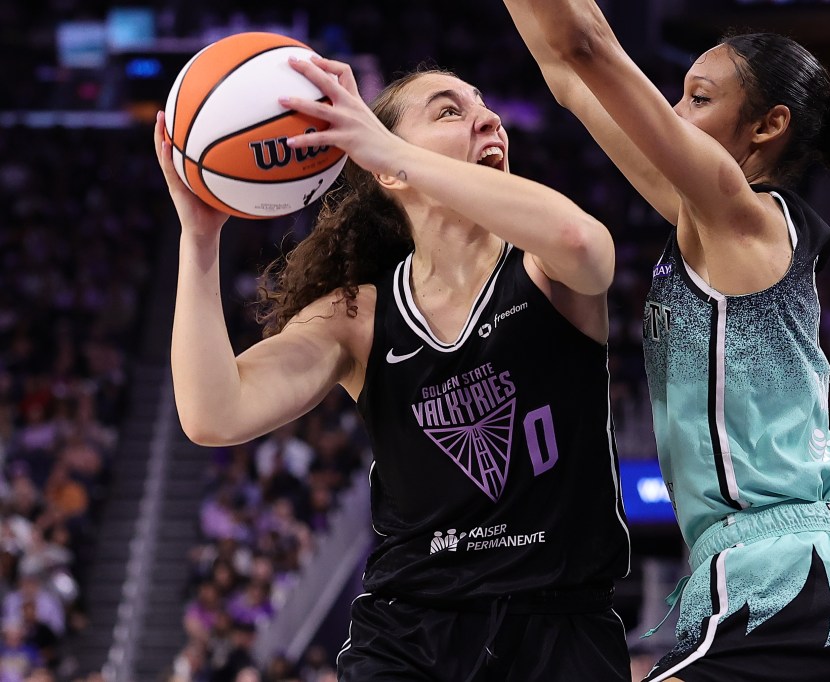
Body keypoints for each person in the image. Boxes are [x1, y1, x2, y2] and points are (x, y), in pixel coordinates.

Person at [154, 54, 632, 680]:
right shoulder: (358, 314)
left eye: (485, 106)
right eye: (450, 111)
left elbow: (583, 246)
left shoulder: (541, 268)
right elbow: (213, 414)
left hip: (560, 624)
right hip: (409, 632)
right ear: (387, 170)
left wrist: (388, 147)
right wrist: (199, 240)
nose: (488, 119)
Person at [503, 1, 830, 680]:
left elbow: (589, 47)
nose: (673, 112)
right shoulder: (708, 222)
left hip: (788, 586)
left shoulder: (742, 218)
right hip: (811, 586)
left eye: (697, 98)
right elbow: (567, 73)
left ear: (768, 126)